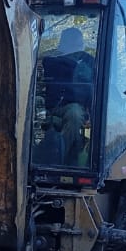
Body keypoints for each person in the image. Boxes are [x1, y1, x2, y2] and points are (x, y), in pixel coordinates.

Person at [41, 27, 95, 165]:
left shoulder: (89, 62)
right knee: (74, 114)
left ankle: (64, 158)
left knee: (76, 113)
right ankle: (58, 160)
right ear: (64, 43)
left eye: (79, 42)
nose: (79, 45)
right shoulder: (50, 59)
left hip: (79, 107)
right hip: (52, 106)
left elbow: (95, 87)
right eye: (74, 42)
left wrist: (92, 112)